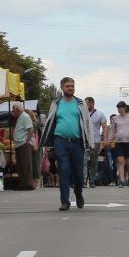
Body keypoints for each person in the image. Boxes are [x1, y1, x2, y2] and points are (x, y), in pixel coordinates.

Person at [39, 77, 93, 211]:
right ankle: (65, 201)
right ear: (62, 88)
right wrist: (47, 142)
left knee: (78, 174)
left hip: (77, 143)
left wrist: (90, 143)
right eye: (68, 86)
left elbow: (87, 124)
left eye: (72, 86)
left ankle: (78, 194)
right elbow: (50, 122)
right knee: (64, 171)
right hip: (60, 141)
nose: (70, 88)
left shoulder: (81, 103)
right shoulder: (56, 103)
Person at [108, 102, 129, 188]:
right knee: (121, 161)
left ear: (125, 108)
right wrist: (109, 140)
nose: (119, 110)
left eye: (120, 108)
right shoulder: (115, 118)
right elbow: (112, 130)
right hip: (119, 142)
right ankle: (121, 180)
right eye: (118, 108)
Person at [9, 103, 36, 190]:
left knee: (26, 165)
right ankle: (23, 183)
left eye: (13, 110)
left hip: (23, 144)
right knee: (20, 165)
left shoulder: (25, 116)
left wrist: (27, 140)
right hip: (20, 144)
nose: (12, 112)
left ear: (17, 109)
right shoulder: (20, 117)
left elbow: (31, 129)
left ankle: (28, 184)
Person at [84, 97, 109, 188]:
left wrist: (105, 139)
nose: (85, 105)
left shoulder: (100, 114)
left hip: (96, 141)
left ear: (92, 103)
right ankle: (83, 180)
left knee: (94, 161)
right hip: (84, 140)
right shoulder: (82, 113)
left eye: (87, 103)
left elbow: (105, 127)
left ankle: (92, 180)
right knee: (84, 161)